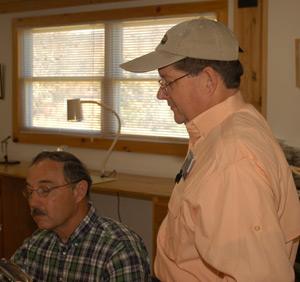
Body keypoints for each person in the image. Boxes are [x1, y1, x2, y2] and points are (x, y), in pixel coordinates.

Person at [120, 17, 300, 281]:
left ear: (208, 80)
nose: (161, 94)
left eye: (168, 82)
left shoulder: (233, 160)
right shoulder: (227, 127)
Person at [0, 151, 151, 282]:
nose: (33, 202)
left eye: (44, 190)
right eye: (30, 191)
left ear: (79, 191)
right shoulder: (36, 243)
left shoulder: (119, 248)